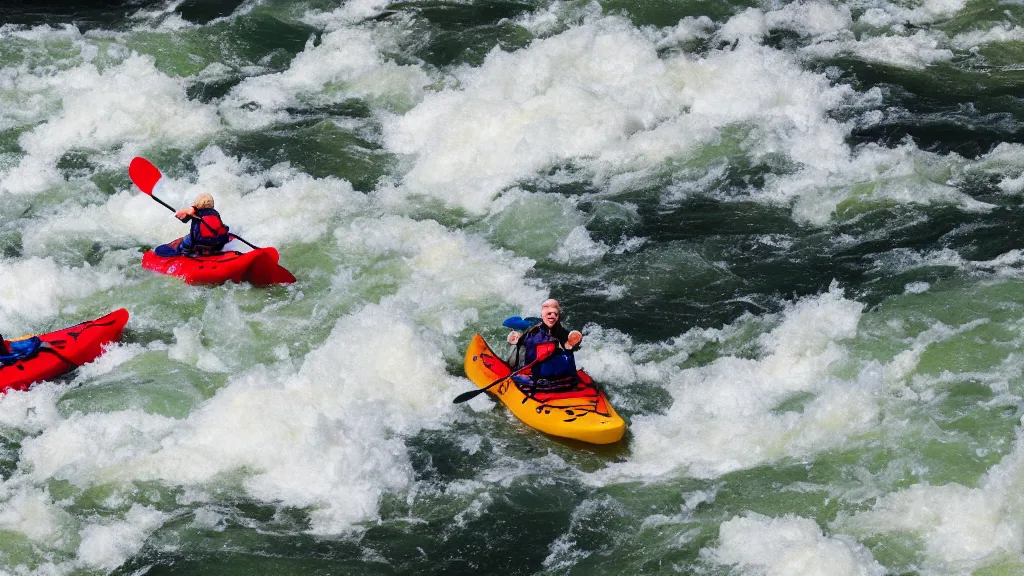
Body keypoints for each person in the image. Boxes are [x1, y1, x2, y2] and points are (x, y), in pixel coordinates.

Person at [507, 299, 583, 381]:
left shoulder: (562, 332)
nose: (552, 316)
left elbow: (568, 344)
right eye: (549, 312)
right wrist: (520, 337)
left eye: (555, 313)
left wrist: (569, 344)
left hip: (553, 372)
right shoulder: (533, 330)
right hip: (530, 371)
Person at [154, 193, 231, 257]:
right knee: (225, 227)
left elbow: (184, 220)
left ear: (197, 204)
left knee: (183, 243)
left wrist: (178, 214)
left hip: (199, 242)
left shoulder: (194, 212)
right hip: (218, 242)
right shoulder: (215, 213)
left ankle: (183, 252)